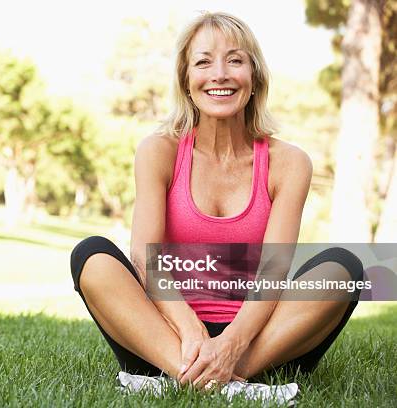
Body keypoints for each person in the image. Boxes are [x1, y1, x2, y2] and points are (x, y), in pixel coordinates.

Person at [70, 11, 363, 389]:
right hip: (168, 333)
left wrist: (231, 343)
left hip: (258, 335)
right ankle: (216, 378)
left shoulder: (289, 163)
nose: (219, 74)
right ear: (186, 81)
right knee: (91, 255)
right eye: (203, 62)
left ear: (254, 79)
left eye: (235, 60)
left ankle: (194, 377)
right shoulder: (159, 151)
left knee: (344, 268)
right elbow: (146, 260)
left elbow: (274, 272)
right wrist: (191, 332)